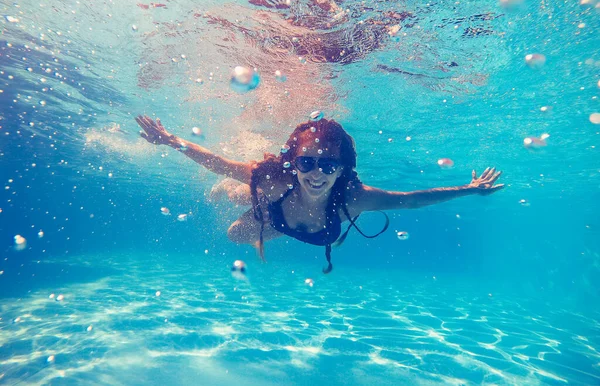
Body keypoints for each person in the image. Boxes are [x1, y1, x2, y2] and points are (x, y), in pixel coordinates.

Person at [135, 115, 503, 272]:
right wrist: (170, 142)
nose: (316, 173)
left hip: (285, 225)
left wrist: (468, 190)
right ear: (293, 161)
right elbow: (216, 160)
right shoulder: (276, 178)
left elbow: (411, 199)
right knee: (235, 230)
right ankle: (237, 194)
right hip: (277, 207)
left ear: (342, 169)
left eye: (328, 166)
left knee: (244, 224)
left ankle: (251, 202)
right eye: (307, 162)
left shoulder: (353, 198)